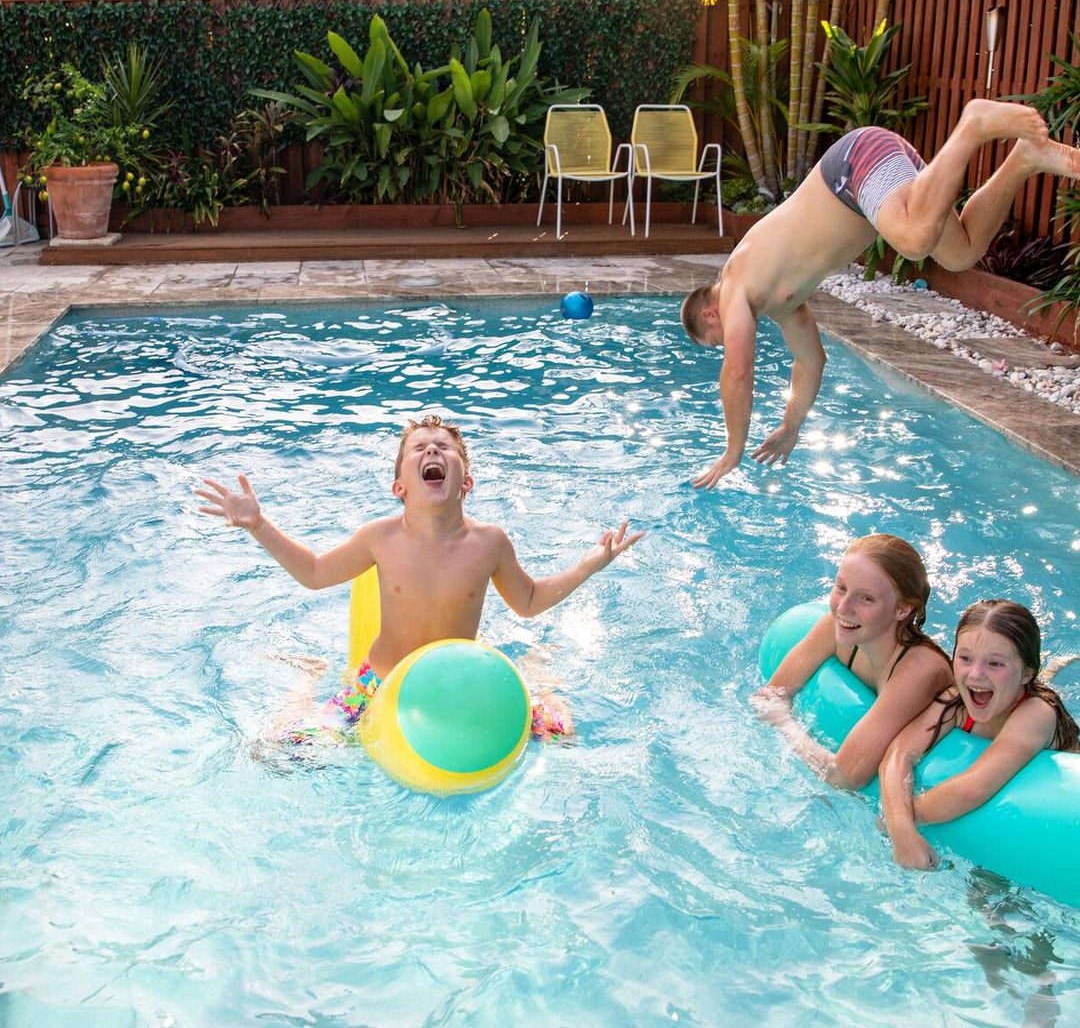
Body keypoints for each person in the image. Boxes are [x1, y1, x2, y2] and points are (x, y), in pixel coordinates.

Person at [680, 99, 1080, 488]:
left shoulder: (733, 286)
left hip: (853, 168)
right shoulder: (781, 301)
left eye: (716, 342)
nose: (727, 344)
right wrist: (791, 424)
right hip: (869, 182)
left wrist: (733, 450)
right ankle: (1024, 159)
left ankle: (973, 123)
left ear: (710, 315)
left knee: (914, 238)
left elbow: (737, 372)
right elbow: (810, 361)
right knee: (962, 251)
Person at [195, 413, 643, 743]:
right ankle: (307, 680)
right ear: (399, 487)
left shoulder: (489, 543)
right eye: (420, 448)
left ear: (466, 482)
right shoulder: (380, 538)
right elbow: (313, 573)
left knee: (562, 738)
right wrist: (258, 524)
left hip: (460, 681)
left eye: (445, 447)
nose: (433, 450)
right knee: (280, 753)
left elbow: (526, 601)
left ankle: (537, 675)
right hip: (380, 684)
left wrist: (590, 564)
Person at [879, 599, 1079, 870]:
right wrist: (900, 827)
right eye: (965, 659)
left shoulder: (1036, 714)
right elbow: (899, 753)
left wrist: (900, 822)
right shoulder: (956, 701)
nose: (975, 674)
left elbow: (973, 788)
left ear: (1026, 674)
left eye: (995, 664)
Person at [752, 533, 952, 789]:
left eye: (866, 598)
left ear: (902, 609)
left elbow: (845, 777)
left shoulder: (919, 670)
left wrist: (784, 723)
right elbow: (770, 695)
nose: (843, 608)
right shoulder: (837, 626)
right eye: (841, 588)